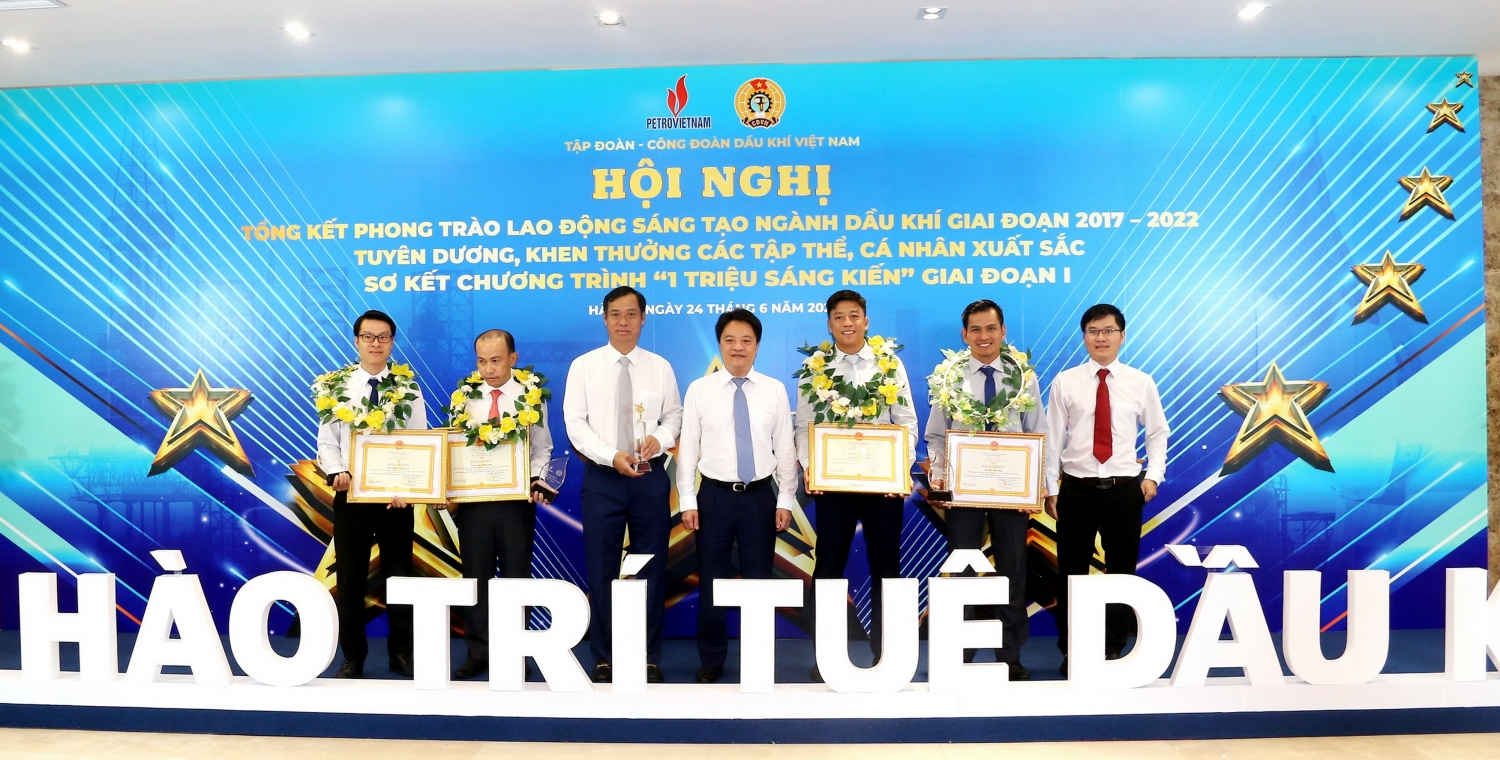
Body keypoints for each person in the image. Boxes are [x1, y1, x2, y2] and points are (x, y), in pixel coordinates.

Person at [563, 286, 683, 683]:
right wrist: (610, 454)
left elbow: (674, 416)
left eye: (631, 314)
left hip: (650, 479)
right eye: (615, 314)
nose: (623, 322)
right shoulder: (584, 367)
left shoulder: (660, 367)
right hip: (603, 480)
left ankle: (647, 656)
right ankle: (604, 656)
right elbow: (575, 424)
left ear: (643, 319)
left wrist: (660, 440)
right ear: (604, 318)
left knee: (652, 567)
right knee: (602, 568)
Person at [795, 289, 918, 678]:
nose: (847, 323)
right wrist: (810, 466)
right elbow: (804, 425)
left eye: (853, 316)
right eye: (839, 317)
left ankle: (887, 654)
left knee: (887, 567)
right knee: (828, 566)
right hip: (834, 484)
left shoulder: (889, 363)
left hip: (883, 484)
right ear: (829, 324)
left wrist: (900, 469)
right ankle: (826, 657)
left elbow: (906, 422)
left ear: (866, 321)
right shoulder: (815, 368)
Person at [1045, 303, 1169, 677]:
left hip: (1124, 490)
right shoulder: (1065, 381)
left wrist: (1153, 476)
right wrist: (1050, 488)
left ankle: (1113, 646)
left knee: (1121, 572)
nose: (1101, 338)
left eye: (1109, 331)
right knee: (1071, 573)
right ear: (1084, 336)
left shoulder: (1140, 382)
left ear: (1122, 336)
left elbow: (1157, 432)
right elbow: (1053, 438)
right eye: (1093, 331)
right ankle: (1073, 649)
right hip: (1076, 489)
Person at [924, 299, 1045, 681]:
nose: (984, 336)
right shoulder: (949, 377)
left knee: (1013, 569)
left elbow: (1037, 431)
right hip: (964, 490)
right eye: (975, 329)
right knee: (962, 569)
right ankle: (960, 651)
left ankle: (1010, 655)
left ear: (1003, 331)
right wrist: (940, 477)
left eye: (991, 328)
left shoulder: (1022, 377)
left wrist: (1036, 487)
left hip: (1011, 492)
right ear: (965, 335)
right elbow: (935, 435)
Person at [676, 309, 797, 684]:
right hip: (713, 497)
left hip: (760, 498)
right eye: (730, 340)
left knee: (759, 581)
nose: (738, 347)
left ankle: (758, 658)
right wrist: (687, 501)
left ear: (757, 346)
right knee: (712, 581)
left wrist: (785, 500)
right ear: (720, 345)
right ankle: (711, 659)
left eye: (746, 340)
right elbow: (687, 449)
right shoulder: (700, 390)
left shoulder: (774, 390)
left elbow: (785, 449)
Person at [314, 309, 427, 679]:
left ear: (392, 342)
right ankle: (353, 657)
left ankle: (401, 654)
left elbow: (418, 440)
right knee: (350, 579)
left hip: (396, 500)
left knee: (400, 578)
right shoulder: (337, 387)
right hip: (352, 496)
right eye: (368, 337)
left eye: (383, 337)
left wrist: (407, 487)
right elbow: (327, 442)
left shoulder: (408, 388)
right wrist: (336, 471)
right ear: (356, 341)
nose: (375, 343)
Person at [448, 329, 556, 680]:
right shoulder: (464, 397)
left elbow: (542, 448)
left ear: (513, 358)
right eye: (482, 361)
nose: (489, 369)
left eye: (496, 360)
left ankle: (516, 651)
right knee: (475, 576)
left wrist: (536, 478)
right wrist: (448, 488)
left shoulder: (530, 395)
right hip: (475, 503)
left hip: (515, 502)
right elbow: (454, 448)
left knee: (515, 576)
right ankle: (478, 652)